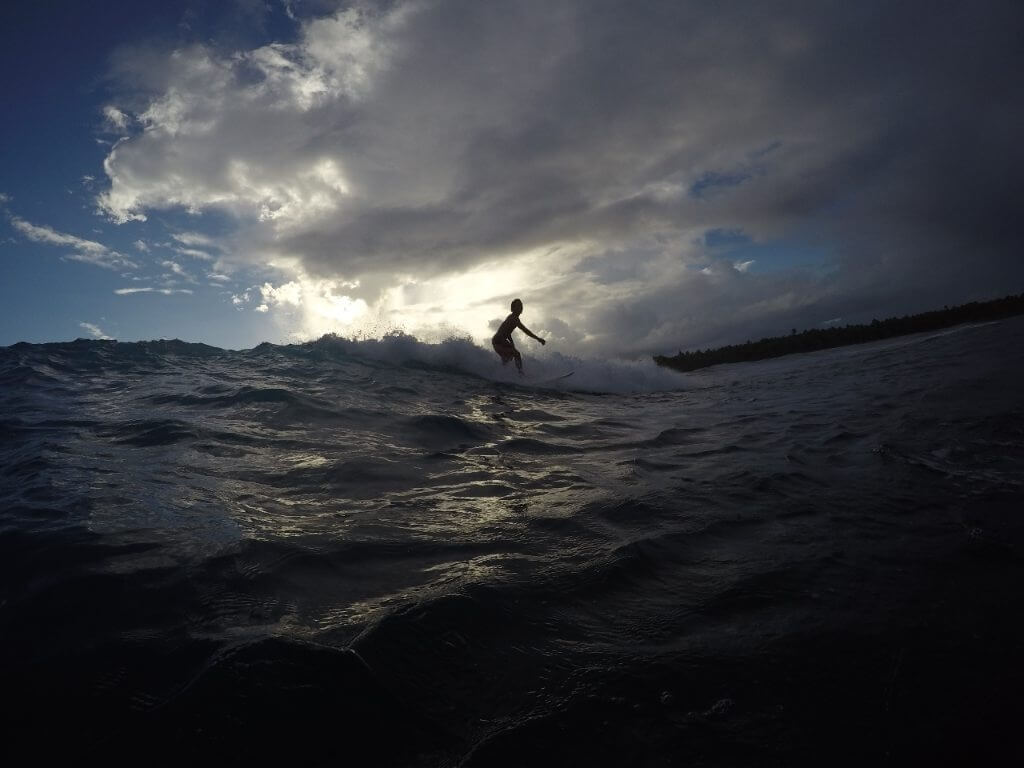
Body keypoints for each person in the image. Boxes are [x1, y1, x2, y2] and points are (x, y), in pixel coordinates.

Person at [492, 298, 545, 374]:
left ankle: (501, 373)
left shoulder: (512, 317)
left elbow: (507, 331)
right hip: (498, 341)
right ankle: (520, 374)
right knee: (516, 354)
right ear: (512, 309)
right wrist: (538, 339)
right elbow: (525, 330)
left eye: (521, 306)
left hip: (501, 341)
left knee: (509, 357)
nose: (520, 308)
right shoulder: (514, 319)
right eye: (518, 306)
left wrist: (511, 341)